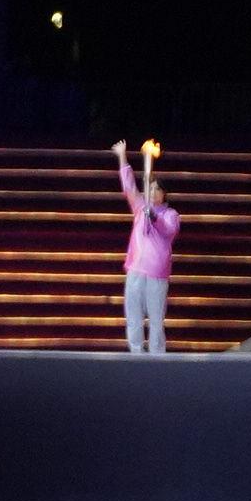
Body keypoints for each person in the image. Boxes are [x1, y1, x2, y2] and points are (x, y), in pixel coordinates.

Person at [114, 136, 179, 358]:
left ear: (164, 194)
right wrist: (122, 157)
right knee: (133, 316)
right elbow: (129, 187)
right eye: (151, 188)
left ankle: (157, 356)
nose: (153, 192)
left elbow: (168, 230)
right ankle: (136, 354)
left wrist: (155, 218)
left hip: (157, 273)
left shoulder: (171, 215)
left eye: (157, 189)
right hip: (136, 268)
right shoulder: (140, 208)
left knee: (156, 319)